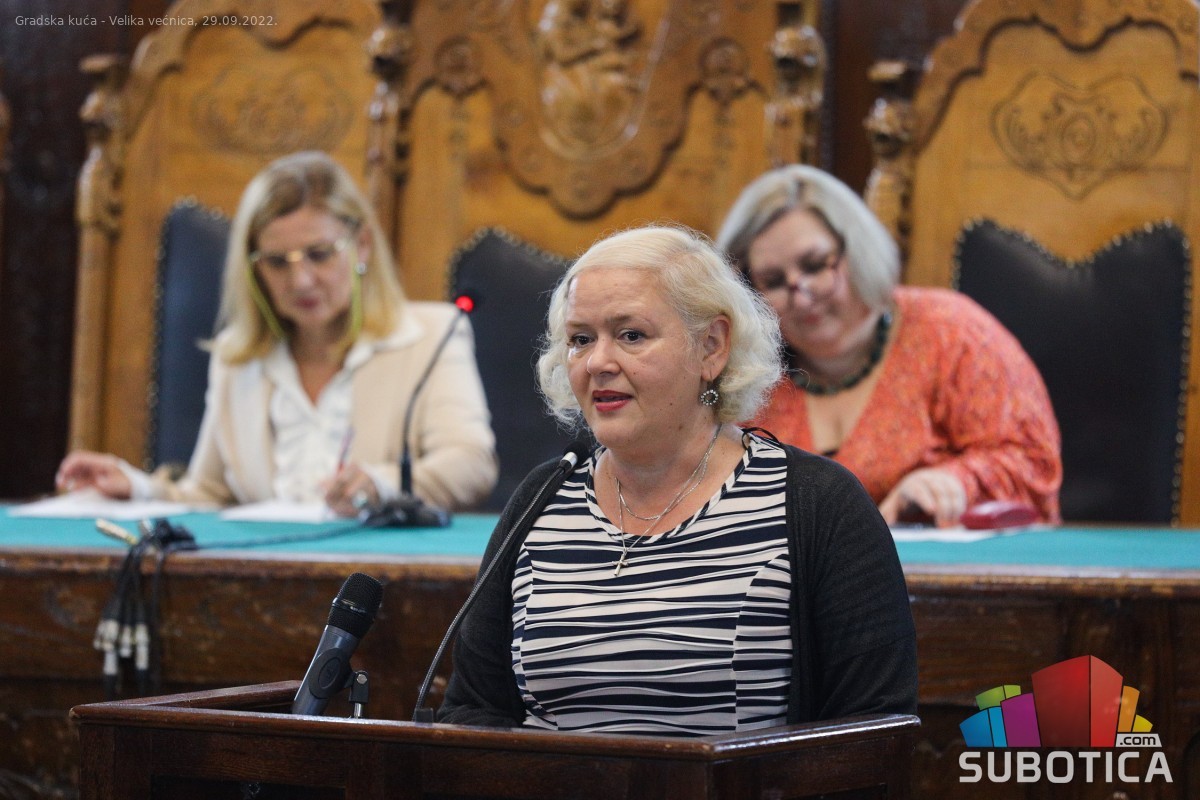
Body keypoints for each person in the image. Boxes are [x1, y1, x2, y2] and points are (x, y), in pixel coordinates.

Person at [437, 225, 916, 735]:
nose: (597, 362)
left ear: (711, 346)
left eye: (631, 335)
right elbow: (471, 711)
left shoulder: (818, 504)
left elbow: (874, 732)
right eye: (580, 339)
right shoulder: (541, 501)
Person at [57, 151, 497, 516]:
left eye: (319, 254)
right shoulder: (237, 358)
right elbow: (208, 493)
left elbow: (471, 464)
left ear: (362, 245)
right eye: (276, 262)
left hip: (375, 574)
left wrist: (381, 485)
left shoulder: (430, 335)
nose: (300, 280)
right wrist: (135, 487)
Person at [716, 165, 1062, 527]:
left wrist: (955, 483)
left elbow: (1033, 464)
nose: (802, 297)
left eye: (815, 266)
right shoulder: (746, 377)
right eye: (773, 281)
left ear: (859, 250)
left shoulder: (952, 333)